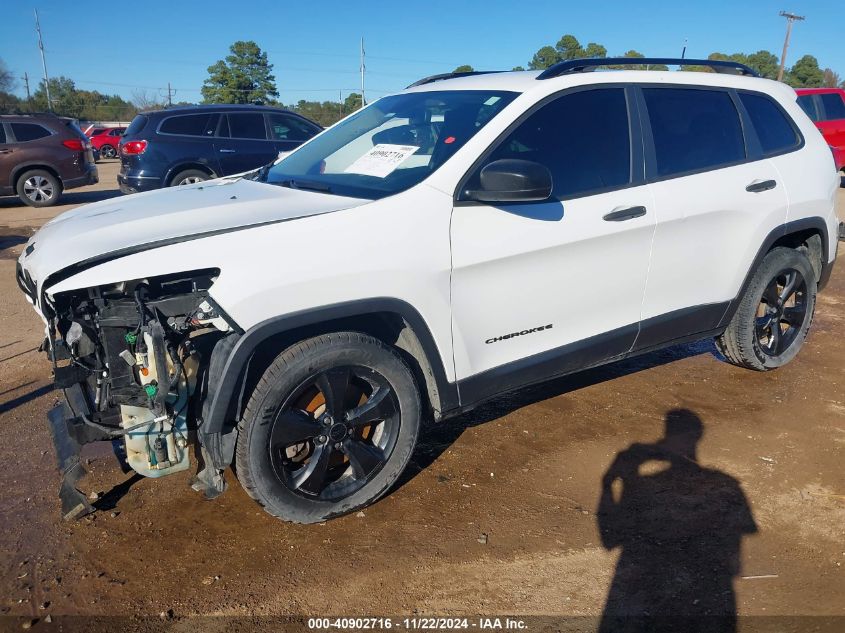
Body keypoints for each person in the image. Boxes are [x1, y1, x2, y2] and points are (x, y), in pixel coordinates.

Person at [597, 409, 757, 633]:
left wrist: (612, 482)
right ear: (698, 437)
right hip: (706, 602)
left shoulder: (644, 490)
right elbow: (734, 558)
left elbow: (609, 539)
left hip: (652, 597)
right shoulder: (727, 485)